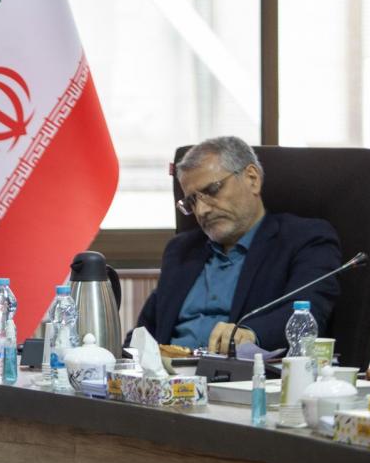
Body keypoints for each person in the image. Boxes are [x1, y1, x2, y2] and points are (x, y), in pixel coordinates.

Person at [135, 136, 341, 354]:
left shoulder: (305, 239)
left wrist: (250, 334)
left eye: (212, 190)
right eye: (192, 201)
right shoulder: (181, 250)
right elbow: (145, 331)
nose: (202, 210)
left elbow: (307, 314)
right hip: (168, 372)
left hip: (241, 371)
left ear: (252, 179)